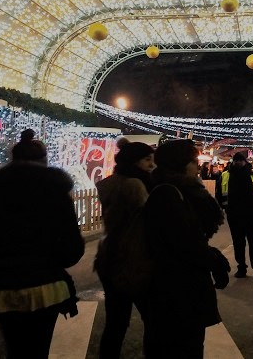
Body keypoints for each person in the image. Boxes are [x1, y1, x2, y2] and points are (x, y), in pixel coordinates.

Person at [0, 131, 84, 359]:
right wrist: (51, 262)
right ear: (44, 159)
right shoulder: (55, 189)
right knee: (39, 348)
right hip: (45, 284)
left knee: (15, 347)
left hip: (2, 283)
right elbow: (72, 246)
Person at [144, 139, 228, 358]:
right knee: (180, 347)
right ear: (179, 163)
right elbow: (183, 243)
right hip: (173, 288)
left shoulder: (184, 190)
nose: (198, 165)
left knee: (187, 344)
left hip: (184, 285)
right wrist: (213, 259)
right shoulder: (167, 193)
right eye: (193, 161)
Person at [94, 138, 156, 359]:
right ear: (134, 161)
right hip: (134, 259)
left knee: (116, 322)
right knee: (153, 319)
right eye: (147, 160)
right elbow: (150, 220)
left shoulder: (112, 183)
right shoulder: (135, 185)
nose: (152, 164)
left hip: (109, 257)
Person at [217, 152, 253, 281]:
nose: (238, 163)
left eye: (240, 161)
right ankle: (241, 267)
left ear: (245, 161)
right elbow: (219, 196)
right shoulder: (225, 176)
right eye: (236, 161)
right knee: (238, 243)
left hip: (252, 215)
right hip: (234, 215)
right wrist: (218, 214)